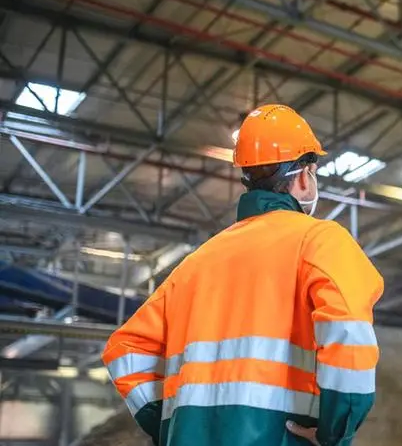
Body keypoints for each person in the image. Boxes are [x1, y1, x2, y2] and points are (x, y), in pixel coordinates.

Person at [102, 104, 384, 446]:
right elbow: (349, 335)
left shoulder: (196, 263)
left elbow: (124, 349)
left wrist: (169, 424)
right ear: (303, 176)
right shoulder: (320, 241)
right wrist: (335, 433)